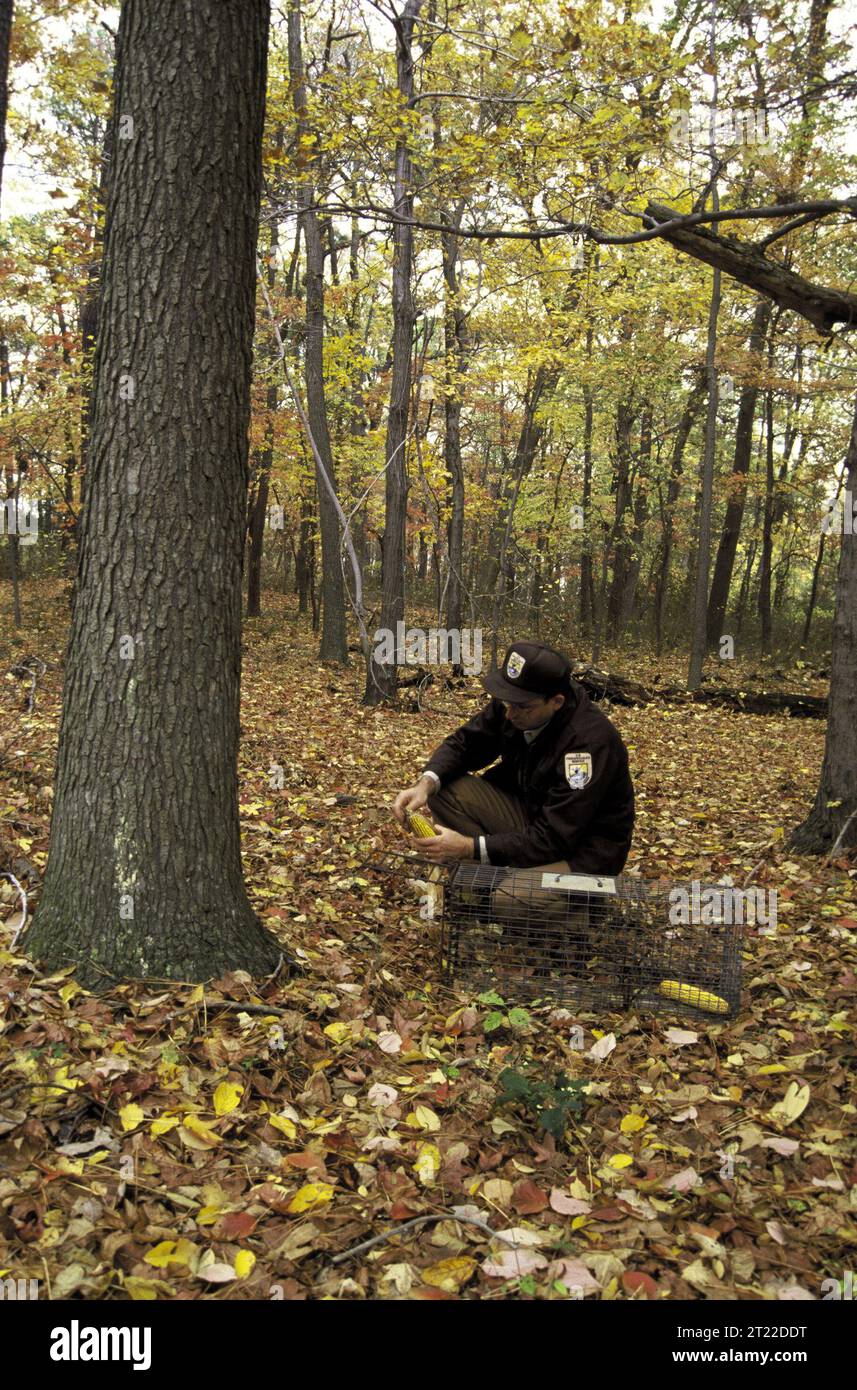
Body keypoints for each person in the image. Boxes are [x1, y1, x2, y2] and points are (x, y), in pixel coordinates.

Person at [392, 640, 635, 895]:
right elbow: (465, 744)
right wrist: (424, 785)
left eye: (521, 706)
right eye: (506, 701)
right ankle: (491, 879)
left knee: (509, 900)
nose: (509, 714)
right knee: (443, 787)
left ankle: (575, 906)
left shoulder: (588, 745)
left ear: (557, 702)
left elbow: (555, 837)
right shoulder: (517, 700)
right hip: (532, 815)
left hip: (581, 853)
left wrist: (468, 847)